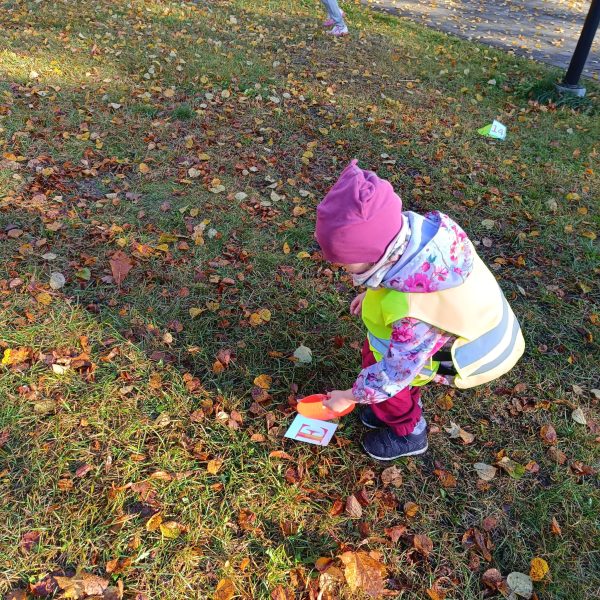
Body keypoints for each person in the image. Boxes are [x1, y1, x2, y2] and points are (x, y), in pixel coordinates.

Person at [315, 160, 525, 460]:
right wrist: (371, 291)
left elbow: (394, 374)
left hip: (462, 349)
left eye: (343, 261)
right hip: (447, 328)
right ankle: (387, 411)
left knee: (394, 391)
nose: (337, 266)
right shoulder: (412, 240)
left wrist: (349, 397)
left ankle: (409, 432)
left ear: (374, 256)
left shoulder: (414, 315)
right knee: (380, 366)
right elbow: (393, 271)